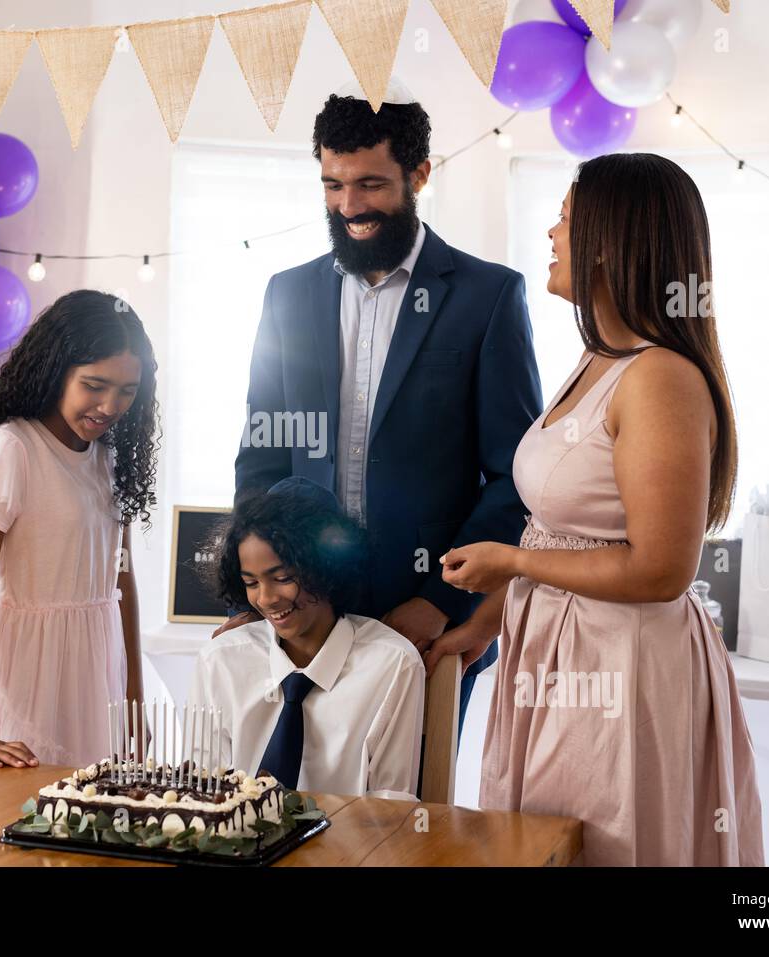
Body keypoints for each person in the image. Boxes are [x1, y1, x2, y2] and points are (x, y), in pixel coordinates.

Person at [441, 153, 764, 865]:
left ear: (609, 242)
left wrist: (512, 562)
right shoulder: (598, 360)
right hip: (557, 655)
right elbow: (564, 523)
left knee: (604, 844)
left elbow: (661, 570)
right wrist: (486, 623)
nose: (552, 232)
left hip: (618, 669)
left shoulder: (660, 380)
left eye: (564, 216)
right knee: (548, 844)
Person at [226, 83, 543, 735]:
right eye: (333, 185)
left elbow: (516, 476)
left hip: (426, 622)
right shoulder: (287, 294)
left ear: (419, 174)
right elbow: (261, 457)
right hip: (299, 614)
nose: (349, 206)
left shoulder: (488, 296)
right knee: (288, 810)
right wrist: (253, 590)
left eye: (370, 184)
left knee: (406, 821)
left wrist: (442, 599)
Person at [0, 290, 159, 770]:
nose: (110, 405)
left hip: (92, 676)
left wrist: (133, 705)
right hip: (21, 675)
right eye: (94, 384)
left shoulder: (110, 461)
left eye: (127, 391)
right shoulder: (9, 452)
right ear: (55, 369)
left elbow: (121, 584)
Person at [191, 478, 424, 798]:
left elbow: (391, 805)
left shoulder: (392, 664)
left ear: (327, 568)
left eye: (282, 578)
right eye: (251, 582)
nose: (267, 599)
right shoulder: (220, 661)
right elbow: (203, 792)